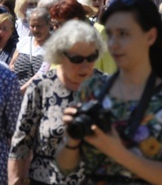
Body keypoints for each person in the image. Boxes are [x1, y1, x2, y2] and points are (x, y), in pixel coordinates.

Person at [56, 0, 162, 185]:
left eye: (124, 34)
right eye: (110, 34)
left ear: (150, 36)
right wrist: (71, 139)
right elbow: (64, 166)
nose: (113, 43)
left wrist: (117, 151)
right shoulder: (93, 89)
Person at [9, 20, 105, 185]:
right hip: (47, 179)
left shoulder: (107, 86)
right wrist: (15, 180)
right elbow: (21, 140)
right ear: (60, 56)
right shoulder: (42, 86)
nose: (85, 65)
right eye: (77, 59)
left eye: (92, 57)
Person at [10, 7, 53, 92]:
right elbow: (11, 65)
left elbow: (43, 73)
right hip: (17, 94)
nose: (35, 30)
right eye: (32, 26)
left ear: (49, 24)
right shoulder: (24, 42)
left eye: (39, 26)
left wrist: (21, 91)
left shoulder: (55, 45)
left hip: (40, 94)